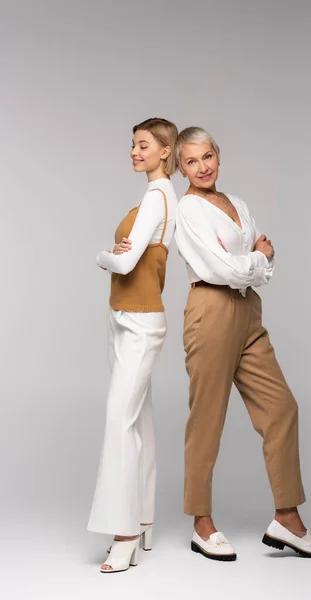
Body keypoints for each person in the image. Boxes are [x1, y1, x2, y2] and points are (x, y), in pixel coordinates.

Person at [174, 126, 311, 561]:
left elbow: (257, 264)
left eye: (208, 157)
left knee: (281, 408)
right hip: (211, 310)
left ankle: (287, 518)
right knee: (207, 418)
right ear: (181, 167)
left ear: (218, 156)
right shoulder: (189, 210)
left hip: (247, 311)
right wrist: (258, 258)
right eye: (191, 162)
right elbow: (226, 268)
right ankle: (201, 523)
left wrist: (255, 262)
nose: (202, 167)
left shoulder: (236, 203)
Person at [87, 117, 178, 573]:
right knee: (137, 421)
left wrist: (104, 255)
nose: (134, 151)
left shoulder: (160, 196)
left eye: (143, 145)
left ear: (166, 151)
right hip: (123, 317)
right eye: (132, 144)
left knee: (119, 419)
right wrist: (118, 254)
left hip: (141, 321)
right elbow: (127, 256)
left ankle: (123, 533)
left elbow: (124, 262)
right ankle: (142, 520)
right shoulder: (151, 196)